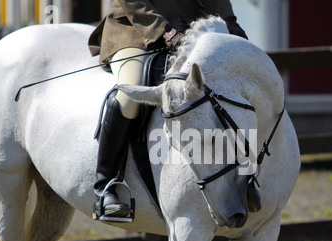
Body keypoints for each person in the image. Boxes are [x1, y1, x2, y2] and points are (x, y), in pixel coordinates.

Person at [88, 0, 248, 220]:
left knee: (231, 87)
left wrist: (230, 22)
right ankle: (105, 187)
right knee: (129, 98)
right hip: (136, 31)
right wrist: (164, 31)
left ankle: (246, 177)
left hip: (190, 29)